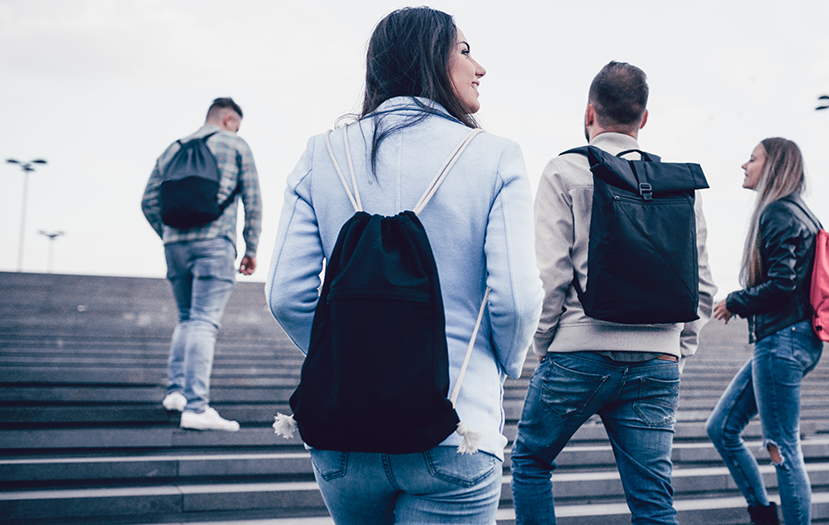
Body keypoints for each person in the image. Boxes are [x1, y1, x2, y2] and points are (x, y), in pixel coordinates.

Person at [265, 7, 542, 524]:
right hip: (457, 422)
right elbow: (519, 298)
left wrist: (358, 351)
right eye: (464, 51)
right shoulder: (496, 156)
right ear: (430, 57)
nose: (480, 67)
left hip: (343, 430)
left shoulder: (319, 154)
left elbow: (285, 295)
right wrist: (500, 365)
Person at [511, 61, 717, 525]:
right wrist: (676, 349)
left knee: (531, 462)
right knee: (652, 501)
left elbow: (551, 274)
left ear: (589, 113)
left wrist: (546, 346)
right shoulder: (680, 186)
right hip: (658, 360)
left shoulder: (566, 170)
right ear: (644, 118)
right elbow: (702, 282)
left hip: (579, 350)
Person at [708, 138, 824, 525]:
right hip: (791, 339)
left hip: (782, 340)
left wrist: (735, 301)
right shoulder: (801, 212)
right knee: (722, 427)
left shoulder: (777, 213)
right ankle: (763, 515)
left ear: (772, 166)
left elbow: (783, 285)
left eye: (753, 159)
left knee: (782, 448)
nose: (745, 165)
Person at [141, 97, 262, 432]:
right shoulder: (235, 144)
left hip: (175, 246)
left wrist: (168, 234)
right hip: (215, 243)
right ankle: (196, 406)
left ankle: (176, 393)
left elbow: (148, 200)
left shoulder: (172, 149)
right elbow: (252, 200)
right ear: (227, 119)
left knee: (186, 318)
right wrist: (251, 247)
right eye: (237, 123)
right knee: (204, 322)